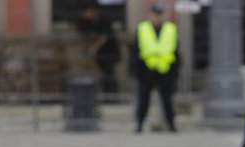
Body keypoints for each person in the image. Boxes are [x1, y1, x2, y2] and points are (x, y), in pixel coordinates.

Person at [130, 2, 179, 133]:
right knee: (144, 99)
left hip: (165, 68)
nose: (157, 17)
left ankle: (172, 124)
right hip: (147, 68)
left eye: (159, 14)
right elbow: (135, 50)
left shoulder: (170, 28)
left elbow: (176, 50)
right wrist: (136, 69)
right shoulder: (143, 28)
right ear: (150, 15)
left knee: (167, 99)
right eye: (154, 14)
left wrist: (174, 70)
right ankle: (139, 124)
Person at [75, 2, 121, 95]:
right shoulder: (92, 22)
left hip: (109, 52)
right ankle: (107, 94)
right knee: (104, 75)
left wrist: (93, 49)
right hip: (101, 53)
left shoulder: (103, 20)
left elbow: (103, 37)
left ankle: (112, 95)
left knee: (109, 74)